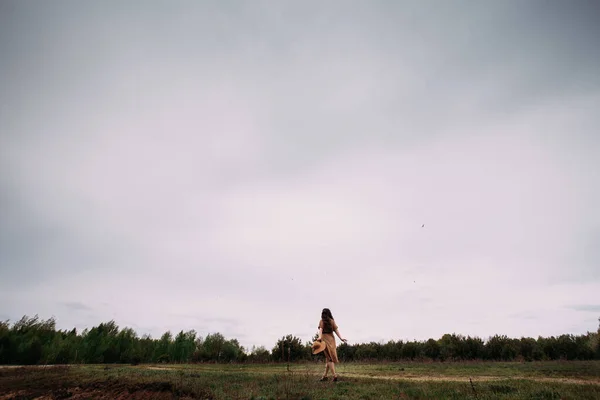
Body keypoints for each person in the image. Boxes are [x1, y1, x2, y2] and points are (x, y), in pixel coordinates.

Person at [317, 308, 347, 382]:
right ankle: (325, 376)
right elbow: (336, 330)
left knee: (329, 358)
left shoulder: (322, 321)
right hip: (332, 340)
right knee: (329, 358)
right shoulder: (332, 321)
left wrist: (320, 337)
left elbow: (320, 330)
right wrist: (341, 338)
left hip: (325, 341)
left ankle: (334, 376)